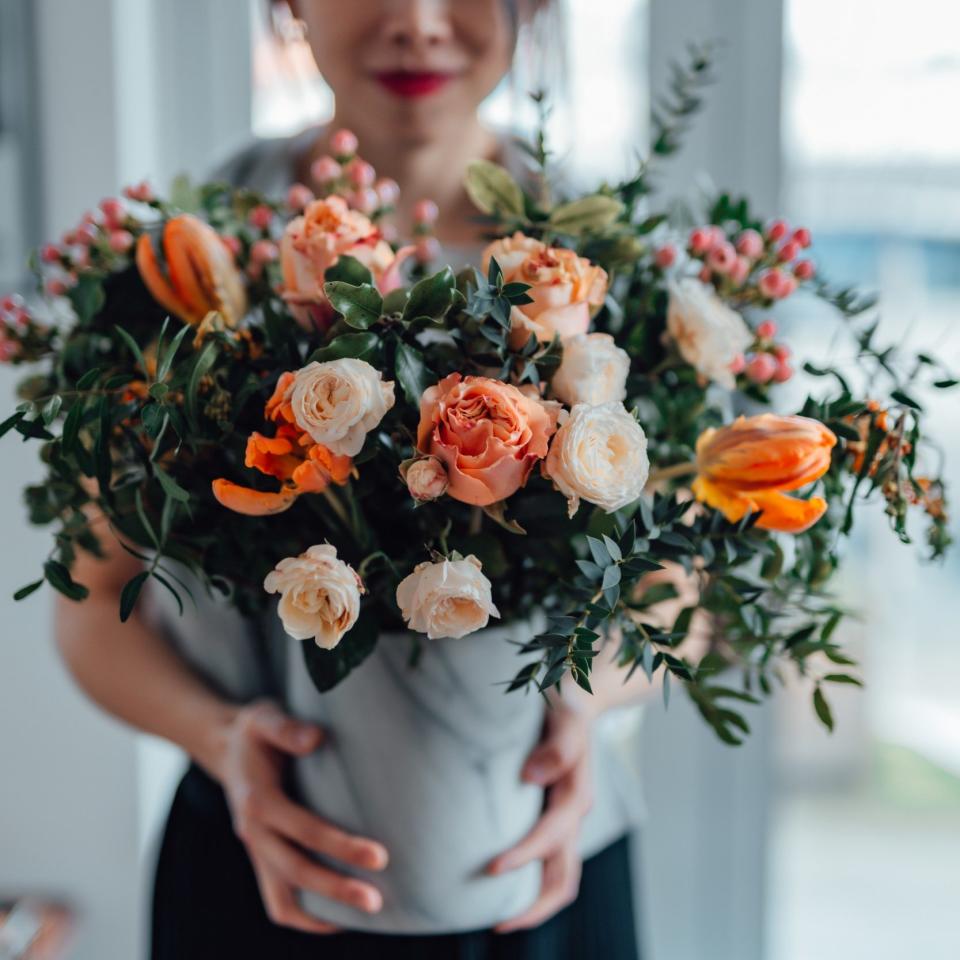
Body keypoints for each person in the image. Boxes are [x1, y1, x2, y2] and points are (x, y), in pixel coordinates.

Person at [55, 2, 654, 957]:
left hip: (539, 860)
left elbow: (686, 581)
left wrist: (581, 703)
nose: (417, 23)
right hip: (260, 862)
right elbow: (93, 602)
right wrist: (222, 742)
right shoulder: (181, 267)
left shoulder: (608, 267)